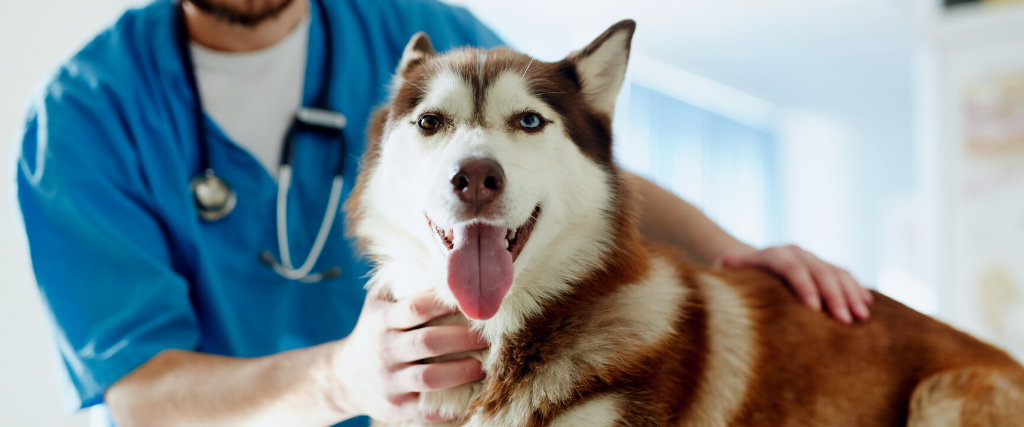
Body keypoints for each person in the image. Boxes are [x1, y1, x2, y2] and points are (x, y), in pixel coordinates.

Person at [14, 0, 873, 426]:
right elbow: (140, 390)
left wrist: (737, 250)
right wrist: (340, 380)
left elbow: (560, 162)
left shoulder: (407, 23)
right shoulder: (87, 118)